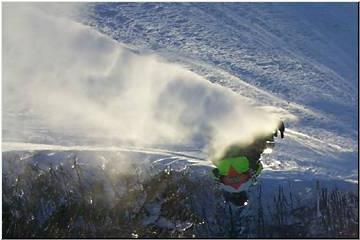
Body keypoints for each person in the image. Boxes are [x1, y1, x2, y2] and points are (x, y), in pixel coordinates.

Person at [211, 121, 285, 207]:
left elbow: (259, 167)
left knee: (260, 148)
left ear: (244, 195)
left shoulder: (247, 184)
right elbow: (214, 172)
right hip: (223, 155)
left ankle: (269, 126)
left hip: (245, 157)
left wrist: (252, 172)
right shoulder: (223, 185)